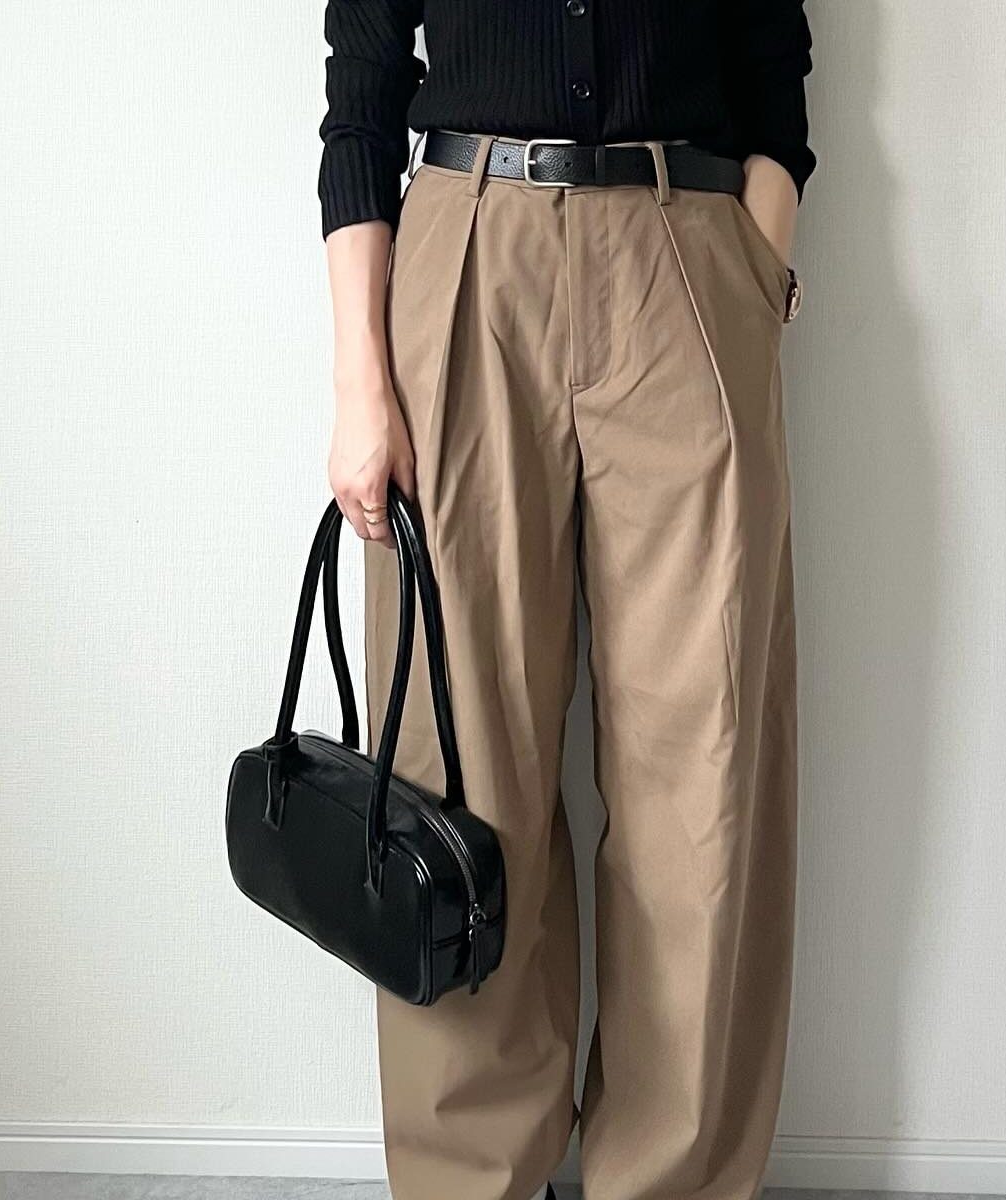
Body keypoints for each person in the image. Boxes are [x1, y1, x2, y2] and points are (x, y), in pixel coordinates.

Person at [319, 2, 814, 1197]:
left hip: (686, 253)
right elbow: (361, 94)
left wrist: (753, 276)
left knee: (703, 772)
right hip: (466, 261)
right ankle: (470, 1178)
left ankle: (675, 1180)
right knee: (454, 771)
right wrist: (362, 384)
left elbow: (773, 63)